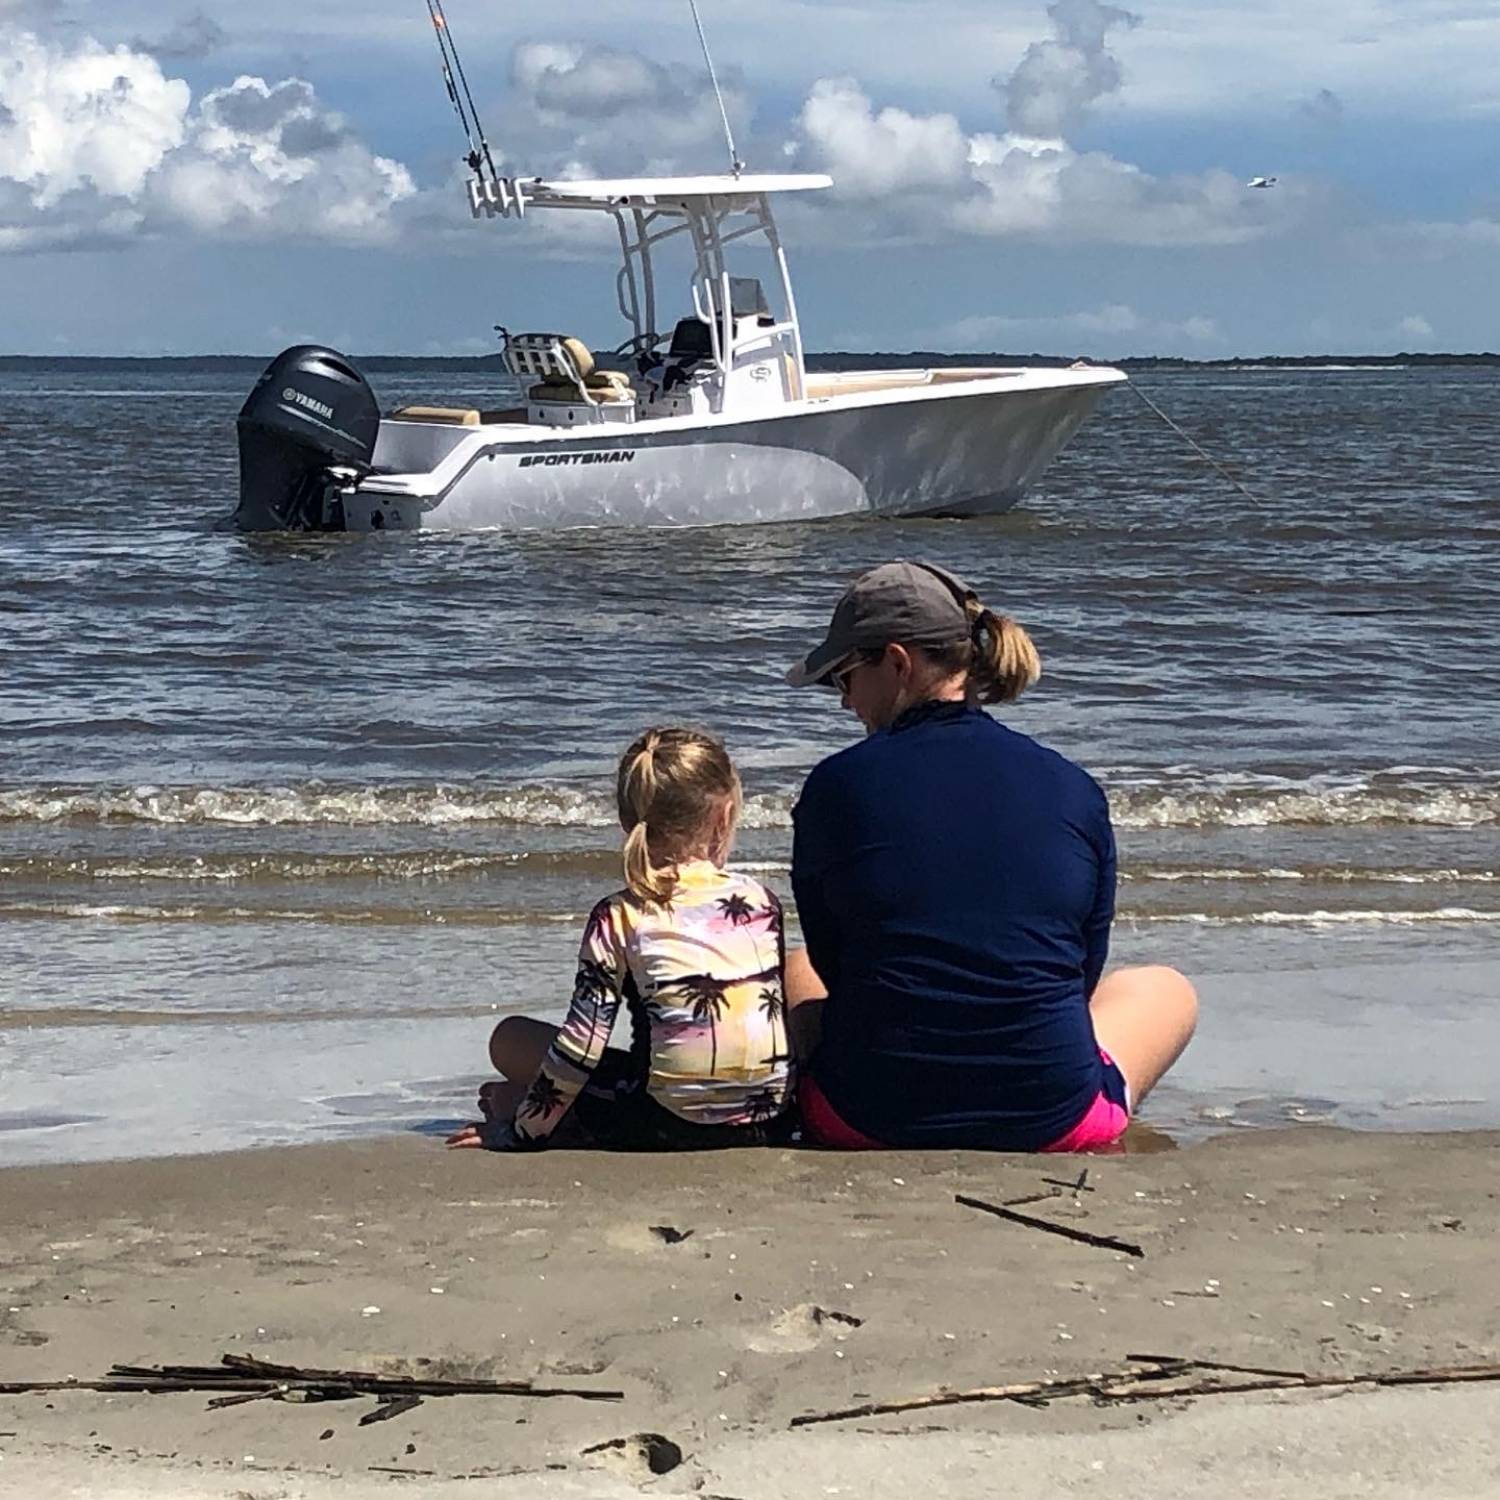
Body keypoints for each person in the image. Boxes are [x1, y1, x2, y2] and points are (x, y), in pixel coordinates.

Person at [784, 560, 1196, 1152]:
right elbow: (1081, 972)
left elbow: (835, 965)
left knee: (799, 965)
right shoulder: (1071, 786)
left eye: (843, 677)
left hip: (867, 1118)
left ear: (898, 663)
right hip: (1050, 1119)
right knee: (1165, 988)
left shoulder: (834, 787)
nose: (843, 701)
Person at [448, 727, 794, 1153]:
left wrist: (520, 1132)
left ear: (627, 823)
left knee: (510, 1039)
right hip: (768, 1121)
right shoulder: (763, 901)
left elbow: (581, 1044)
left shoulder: (620, 915)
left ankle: (544, 1115)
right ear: (724, 815)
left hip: (662, 1126)